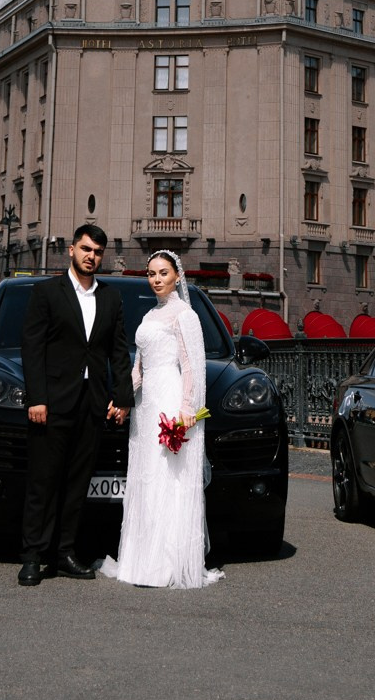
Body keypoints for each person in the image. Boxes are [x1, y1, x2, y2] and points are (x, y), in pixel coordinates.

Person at [16, 223, 130, 587]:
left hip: (92, 404)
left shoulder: (110, 298)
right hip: (52, 403)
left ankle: (65, 553)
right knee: (43, 481)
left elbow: (118, 351)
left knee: (77, 484)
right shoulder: (47, 292)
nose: (91, 256)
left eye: (97, 252)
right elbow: (32, 348)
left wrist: (123, 397)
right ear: (71, 250)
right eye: (85, 249)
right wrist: (37, 397)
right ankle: (33, 556)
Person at [101, 251, 221, 589]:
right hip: (146, 407)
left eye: (163, 273)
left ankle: (168, 563)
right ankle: (142, 560)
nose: (156, 279)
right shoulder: (150, 315)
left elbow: (193, 367)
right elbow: (140, 369)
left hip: (170, 402)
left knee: (169, 478)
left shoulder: (185, 315)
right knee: (147, 477)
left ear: (176, 277)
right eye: (151, 273)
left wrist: (187, 414)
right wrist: (122, 398)